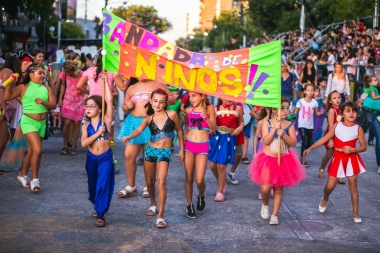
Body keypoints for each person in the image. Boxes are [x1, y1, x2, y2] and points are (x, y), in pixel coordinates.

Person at [122, 88, 184, 228]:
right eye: (155, 101)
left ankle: (161, 216)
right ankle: (153, 204)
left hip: (164, 153)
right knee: (150, 182)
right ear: (150, 101)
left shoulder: (172, 115)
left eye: (161, 102)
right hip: (150, 152)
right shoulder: (148, 119)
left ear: (166, 103)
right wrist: (129, 137)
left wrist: (182, 150)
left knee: (161, 182)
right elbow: (139, 130)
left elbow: (179, 131)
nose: (157, 104)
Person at [303, 101, 366, 223]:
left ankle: (355, 212)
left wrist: (354, 149)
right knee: (330, 186)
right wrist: (310, 148)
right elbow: (324, 139)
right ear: (342, 113)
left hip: (351, 159)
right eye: (348, 111)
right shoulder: (336, 126)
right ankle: (325, 197)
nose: (351, 113)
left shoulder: (358, 129)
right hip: (337, 158)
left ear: (357, 114)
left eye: (354, 111)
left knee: (353, 186)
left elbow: (364, 147)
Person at [249, 98, 307, 225]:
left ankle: (274, 215)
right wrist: (274, 130)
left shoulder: (289, 124)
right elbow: (266, 140)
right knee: (265, 187)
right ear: (274, 110)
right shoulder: (266, 123)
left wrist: (284, 135)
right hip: (268, 159)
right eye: (283, 108)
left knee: (279, 188)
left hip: (283, 159)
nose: (286, 111)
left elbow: (293, 142)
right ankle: (265, 204)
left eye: (288, 107)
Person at [117, 79, 175, 198]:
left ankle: (147, 186)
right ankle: (131, 185)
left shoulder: (158, 84)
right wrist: (126, 106)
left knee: (148, 156)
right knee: (129, 155)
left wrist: (159, 99)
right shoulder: (132, 87)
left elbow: (172, 99)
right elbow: (123, 107)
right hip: (134, 122)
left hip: (151, 122)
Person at [4, 63, 57, 192]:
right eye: (40, 73)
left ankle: (22, 175)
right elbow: (7, 97)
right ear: (31, 75)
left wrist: (44, 102)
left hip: (42, 123)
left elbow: (54, 104)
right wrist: (10, 83)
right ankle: (35, 180)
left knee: (32, 151)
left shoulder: (47, 88)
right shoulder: (23, 87)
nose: (43, 75)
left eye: (43, 73)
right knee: (38, 150)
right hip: (28, 122)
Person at [80, 72, 114, 227]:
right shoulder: (85, 126)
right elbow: (84, 143)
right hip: (91, 158)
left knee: (103, 184)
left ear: (100, 109)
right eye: (87, 106)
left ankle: (101, 214)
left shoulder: (105, 120)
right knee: (93, 185)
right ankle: (96, 204)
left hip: (106, 157)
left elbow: (110, 99)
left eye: (92, 106)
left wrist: (106, 82)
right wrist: (98, 134)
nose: (88, 108)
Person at [183, 91, 216, 218]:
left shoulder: (209, 108)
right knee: (189, 178)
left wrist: (206, 117)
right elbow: (186, 126)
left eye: (194, 96)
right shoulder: (188, 110)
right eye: (190, 96)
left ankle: (201, 195)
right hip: (189, 146)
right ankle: (189, 204)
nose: (191, 99)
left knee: (199, 179)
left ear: (203, 96)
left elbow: (214, 128)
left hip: (203, 146)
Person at [209, 98, 243, 202]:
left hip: (229, 138)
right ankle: (222, 182)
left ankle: (220, 191)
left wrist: (239, 128)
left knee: (222, 165)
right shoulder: (215, 109)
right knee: (212, 166)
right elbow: (212, 125)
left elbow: (241, 122)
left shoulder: (238, 108)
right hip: (216, 138)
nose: (230, 98)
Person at [58, 61, 85, 155]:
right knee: (67, 122)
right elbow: (62, 85)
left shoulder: (82, 74)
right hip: (67, 99)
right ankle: (65, 144)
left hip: (79, 99)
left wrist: (84, 91)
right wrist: (60, 98)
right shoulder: (64, 73)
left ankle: (73, 146)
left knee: (77, 123)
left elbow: (85, 86)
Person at [294, 84, 324, 167]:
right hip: (301, 124)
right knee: (305, 140)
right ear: (305, 91)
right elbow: (295, 112)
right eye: (308, 90)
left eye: (312, 90)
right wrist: (292, 121)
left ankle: (303, 155)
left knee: (310, 142)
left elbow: (316, 113)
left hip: (310, 125)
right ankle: (303, 159)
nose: (310, 92)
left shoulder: (315, 102)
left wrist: (320, 113)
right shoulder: (300, 101)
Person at [318, 90, 342, 180]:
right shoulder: (332, 110)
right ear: (330, 101)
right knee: (328, 155)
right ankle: (321, 168)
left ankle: (338, 175)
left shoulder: (341, 109)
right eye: (335, 98)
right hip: (331, 135)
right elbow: (331, 126)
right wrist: (331, 139)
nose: (337, 100)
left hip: (340, 135)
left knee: (339, 156)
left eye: (339, 97)